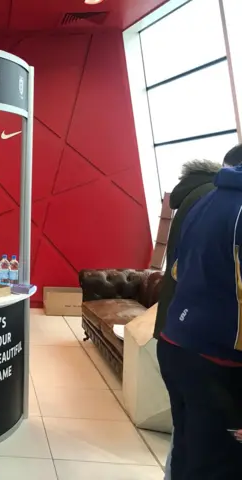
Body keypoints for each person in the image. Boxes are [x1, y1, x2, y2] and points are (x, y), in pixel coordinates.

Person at [154, 144, 242, 479]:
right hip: (220, 358)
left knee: (190, 452)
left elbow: (176, 269)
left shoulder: (206, 200)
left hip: (179, 341)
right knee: (220, 464)